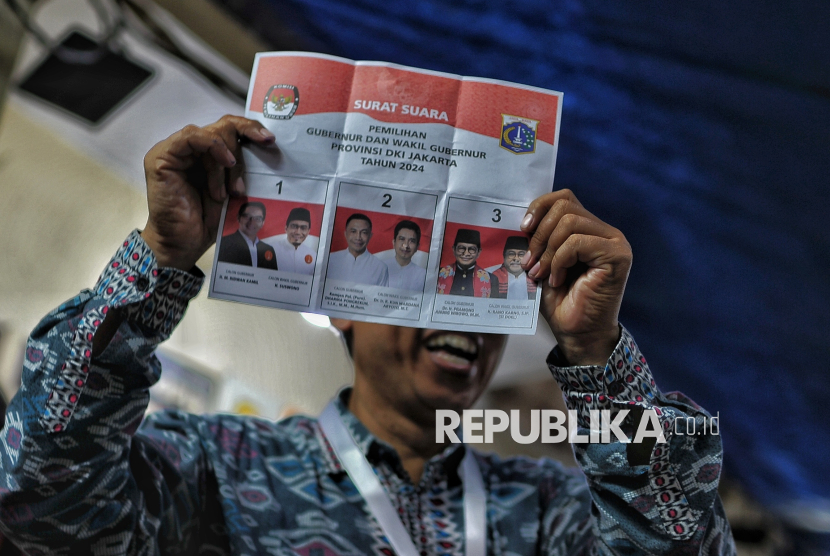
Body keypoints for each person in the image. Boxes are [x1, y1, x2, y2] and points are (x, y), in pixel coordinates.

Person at [0, 116, 734, 555]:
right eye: (425, 289)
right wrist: (160, 260)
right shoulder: (221, 470)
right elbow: (41, 502)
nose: (458, 321)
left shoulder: (548, 508)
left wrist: (596, 356)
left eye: (477, 293)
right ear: (342, 305)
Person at [327, 213, 389, 286]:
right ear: (345, 234)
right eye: (353, 231)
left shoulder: (380, 267)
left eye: (364, 232)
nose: (358, 237)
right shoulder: (330, 260)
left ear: (370, 236)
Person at [217, 201, 279, 270]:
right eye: (247, 216)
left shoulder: (268, 249)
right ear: (238, 218)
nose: (252, 222)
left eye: (257, 218)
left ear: (262, 223)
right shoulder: (224, 243)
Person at [436, 228, 493, 297]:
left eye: (472, 249)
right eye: (461, 248)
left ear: (479, 252)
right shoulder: (439, 273)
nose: (466, 253)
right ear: (454, 250)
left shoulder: (491, 279)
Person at [490, 235, 537, 300]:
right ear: (504, 256)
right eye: (511, 254)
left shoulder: (535, 277)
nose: (516, 258)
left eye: (521, 254)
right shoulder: (491, 276)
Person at [386, 220, 427, 291]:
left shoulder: (423, 275)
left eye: (412, 241)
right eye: (402, 239)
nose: (406, 245)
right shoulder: (379, 268)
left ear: (417, 247)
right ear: (394, 242)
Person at [273, 207, 316, 274]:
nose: (298, 232)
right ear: (286, 228)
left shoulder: (313, 255)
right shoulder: (272, 250)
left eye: (303, 228)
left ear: (308, 232)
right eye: (294, 226)